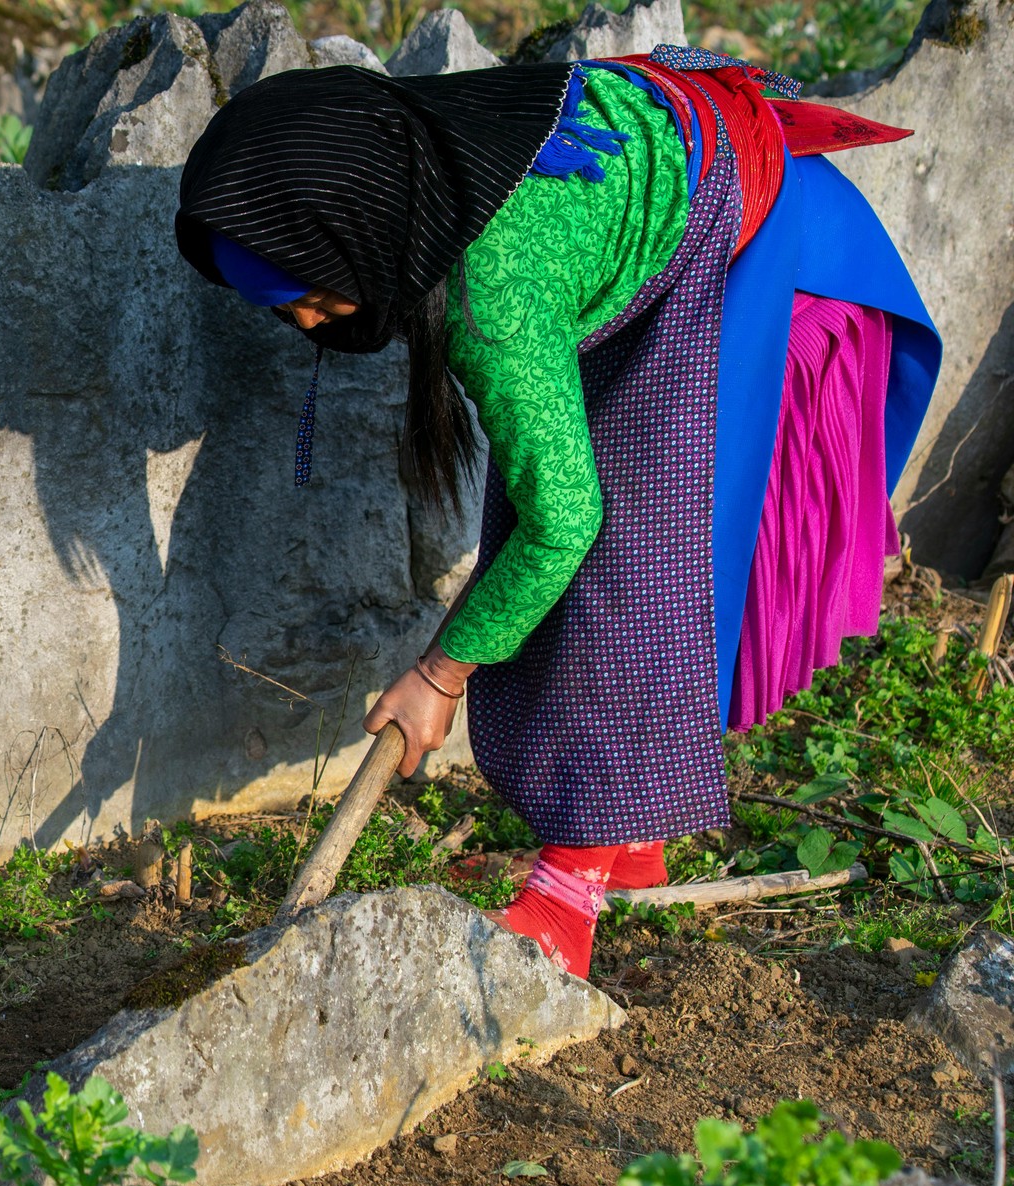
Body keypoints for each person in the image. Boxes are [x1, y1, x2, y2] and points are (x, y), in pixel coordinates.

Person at [175, 49, 938, 976]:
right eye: (280, 306)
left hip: (781, 264)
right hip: (693, 207)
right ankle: (629, 841)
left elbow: (563, 523)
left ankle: (567, 897)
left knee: (627, 563)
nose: (306, 326)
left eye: (306, 291)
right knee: (576, 528)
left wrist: (440, 673)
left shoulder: (491, 292)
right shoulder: (412, 158)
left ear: (361, 227)